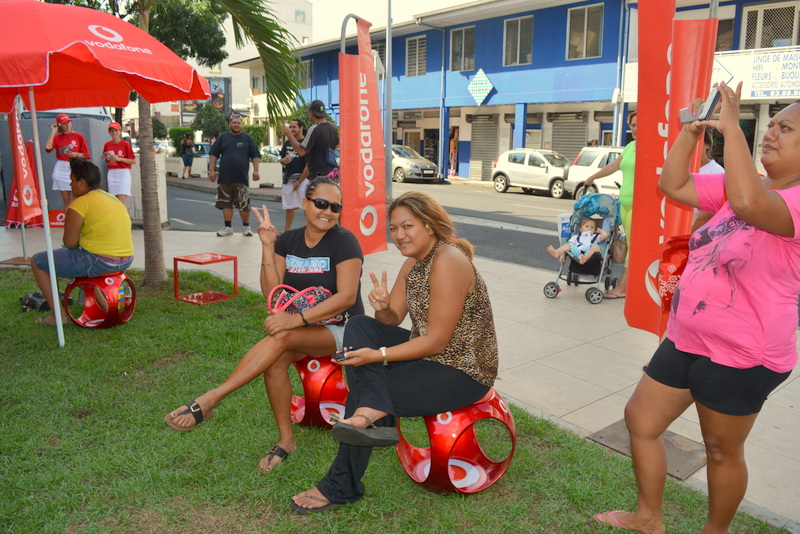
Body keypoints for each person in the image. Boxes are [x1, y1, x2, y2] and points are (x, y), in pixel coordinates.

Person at [594, 81, 800, 533]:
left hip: (744, 354)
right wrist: (695, 129)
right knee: (641, 420)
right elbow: (673, 184)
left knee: (721, 451)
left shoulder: (790, 200)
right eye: (771, 125)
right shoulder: (743, 185)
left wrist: (734, 130)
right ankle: (649, 518)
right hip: (689, 337)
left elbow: (749, 203)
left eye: (784, 128)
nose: (771, 132)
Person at [290, 191, 498, 515]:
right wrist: (383, 307)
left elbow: (436, 342)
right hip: (429, 356)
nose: (399, 235)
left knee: (363, 392)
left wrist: (377, 356)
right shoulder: (413, 263)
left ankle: (342, 482)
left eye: (407, 226)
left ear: (429, 225)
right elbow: (392, 320)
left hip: (463, 370)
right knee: (360, 325)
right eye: (393, 228)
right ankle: (375, 409)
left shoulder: (449, 261)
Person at [164, 177, 364, 473]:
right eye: (321, 204)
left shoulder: (344, 241)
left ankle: (211, 399)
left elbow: (346, 298)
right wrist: (268, 246)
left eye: (335, 207)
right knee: (273, 361)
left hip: (344, 328)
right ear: (305, 204)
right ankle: (286, 439)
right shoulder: (288, 240)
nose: (328, 211)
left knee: (281, 338)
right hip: (303, 329)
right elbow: (274, 295)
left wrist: (295, 320)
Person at [30, 159, 134, 326]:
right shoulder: (113, 199)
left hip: (100, 261)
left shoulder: (79, 203)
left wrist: (82, 239)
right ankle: (106, 307)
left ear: (82, 182)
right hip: (126, 259)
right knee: (76, 262)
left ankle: (57, 317)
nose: (70, 184)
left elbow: (70, 243)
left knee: (37, 261)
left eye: (72, 180)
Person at [583, 110, 637, 299]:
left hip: (642, 205)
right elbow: (613, 166)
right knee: (627, 243)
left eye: (639, 124)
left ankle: (623, 287)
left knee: (634, 246)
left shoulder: (654, 147)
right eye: (632, 125)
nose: (635, 129)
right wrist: (592, 177)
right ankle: (629, 284)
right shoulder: (631, 146)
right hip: (625, 204)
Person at [209, 114, 261, 236]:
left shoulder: (247, 138)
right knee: (226, 203)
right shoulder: (222, 138)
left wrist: (256, 170)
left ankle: (246, 227)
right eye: (234, 122)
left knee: (244, 203)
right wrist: (212, 171)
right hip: (224, 177)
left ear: (242, 125)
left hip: (241, 178)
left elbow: (255, 155)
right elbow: (213, 154)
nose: (236, 125)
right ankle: (228, 227)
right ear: (229, 124)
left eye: (238, 123)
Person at [281, 100, 339, 182]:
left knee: (315, 195)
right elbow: (337, 145)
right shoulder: (332, 127)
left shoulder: (314, 129)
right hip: (333, 173)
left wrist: (289, 134)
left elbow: (301, 151)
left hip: (318, 175)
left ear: (311, 112)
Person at [45, 113, 90, 208]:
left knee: (76, 198)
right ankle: (69, 221)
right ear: (60, 125)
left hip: (75, 166)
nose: (68, 125)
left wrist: (76, 154)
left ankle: (78, 221)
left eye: (69, 122)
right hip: (61, 167)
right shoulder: (57, 137)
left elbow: (86, 155)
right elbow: (48, 147)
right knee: (67, 200)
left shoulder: (78, 136)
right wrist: (53, 131)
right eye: (64, 123)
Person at [692, 130, 725, 232]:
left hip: (694, 232)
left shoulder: (716, 171)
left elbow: (709, 214)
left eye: (696, 142)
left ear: (707, 145)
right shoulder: (682, 169)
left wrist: (689, 235)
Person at [279, 118, 308, 232]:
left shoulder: (306, 143)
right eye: (290, 127)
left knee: (306, 206)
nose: (291, 129)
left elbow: (309, 166)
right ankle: (286, 230)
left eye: (294, 127)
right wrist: (283, 161)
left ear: (301, 128)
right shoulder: (287, 143)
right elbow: (280, 159)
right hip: (289, 179)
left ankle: (310, 230)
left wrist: (299, 182)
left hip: (303, 179)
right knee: (289, 206)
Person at [102, 122, 136, 206]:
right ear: (109, 132)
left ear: (120, 131)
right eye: (112, 131)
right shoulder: (107, 144)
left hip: (123, 173)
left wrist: (119, 159)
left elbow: (133, 161)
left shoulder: (125, 144)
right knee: (113, 201)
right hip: (112, 172)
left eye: (116, 131)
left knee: (121, 201)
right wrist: (105, 158)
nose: (114, 133)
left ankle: (123, 219)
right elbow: (106, 158)